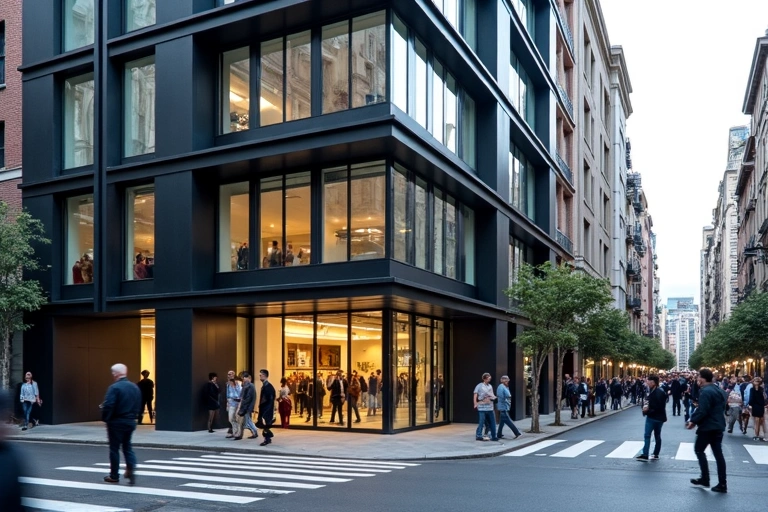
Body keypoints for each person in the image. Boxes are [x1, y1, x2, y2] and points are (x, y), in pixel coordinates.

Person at [687, 368, 728, 493]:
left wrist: (693, 421)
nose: (697, 379)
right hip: (718, 425)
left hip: (707, 427)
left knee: (699, 450)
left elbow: (703, 410)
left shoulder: (705, 392)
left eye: (698, 377)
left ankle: (705, 478)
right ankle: (722, 483)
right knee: (718, 455)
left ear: (702, 378)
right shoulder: (719, 390)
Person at [101, 363, 141, 485]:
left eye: (113, 373)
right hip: (130, 421)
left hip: (116, 422)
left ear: (115, 374)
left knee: (114, 449)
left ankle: (114, 475)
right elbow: (138, 405)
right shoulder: (135, 387)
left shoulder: (114, 388)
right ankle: (131, 467)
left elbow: (108, 405)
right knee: (127, 446)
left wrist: (105, 418)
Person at [636, 375, 667, 461]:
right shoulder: (658, 391)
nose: (647, 383)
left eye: (648, 382)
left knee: (647, 435)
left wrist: (647, 411)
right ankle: (655, 453)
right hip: (660, 417)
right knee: (657, 435)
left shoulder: (657, 392)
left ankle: (646, 453)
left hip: (653, 417)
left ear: (653, 382)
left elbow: (658, 406)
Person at [473, 373, 498, 441]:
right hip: (482, 406)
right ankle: (479, 435)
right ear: (484, 378)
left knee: (492, 421)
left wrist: (493, 397)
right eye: (487, 378)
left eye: (489, 378)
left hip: (490, 405)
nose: (488, 379)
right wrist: (475, 403)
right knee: (481, 422)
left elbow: (492, 394)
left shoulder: (490, 386)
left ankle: (494, 435)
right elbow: (475, 394)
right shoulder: (479, 386)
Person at [496, 375, 521, 439]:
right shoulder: (502, 387)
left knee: (502, 421)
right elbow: (508, 395)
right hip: (503, 406)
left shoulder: (502, 387)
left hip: (503, 406)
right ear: (503, 380)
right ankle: (517, 433)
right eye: (506, 381)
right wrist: (507, 399)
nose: (507, 382)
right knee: (508, 421)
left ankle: (499, 434)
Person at [257, 369, 276, 446]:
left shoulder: (268, 387)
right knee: (264, 425)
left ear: (264, 375)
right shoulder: (266, 386)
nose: (259, 376)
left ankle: (267, 438)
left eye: (260, 375)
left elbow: (270, 400)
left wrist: (266, 410)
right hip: (265, 408)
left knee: (265, 425)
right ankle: (268, 438)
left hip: (266, 409)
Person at [237, 372, 257, 440]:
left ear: (248, 378)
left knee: (248, 421)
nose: (244, 380)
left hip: (247, 407)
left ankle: (254, 431)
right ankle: (253, 432)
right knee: (247, 420)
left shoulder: (249, 386)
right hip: (247, 406)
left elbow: (248, 398)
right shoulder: (247, 386)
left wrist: (245, 406)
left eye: (245, 378)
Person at [225, 371, 242, 439]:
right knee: (231, 418)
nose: (229, 375)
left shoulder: (238, 383)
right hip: (231, 403)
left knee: (237, 419)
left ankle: (237, 432)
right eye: (228, 374)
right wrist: (227, 403)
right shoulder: (228, 384)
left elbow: (239, 394)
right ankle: (235, 431)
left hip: (237, 403)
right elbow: (227, 394)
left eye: (230, 374)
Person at [747, 377, 765, 441]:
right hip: (758, 406)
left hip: (758, 406)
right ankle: (757, 434)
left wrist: (750, 404)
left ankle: (757, 434)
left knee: (758, 420)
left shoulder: (756, 389)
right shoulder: (759, 389)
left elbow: (751, 398)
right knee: (758, 420)